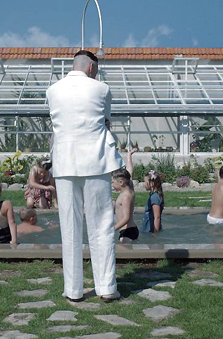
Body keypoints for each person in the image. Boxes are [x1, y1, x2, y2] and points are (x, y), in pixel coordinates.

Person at [46, 49, 124, 302]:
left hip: (65, 163)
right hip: (95, 161)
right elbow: (107, 122)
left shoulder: (53, 90)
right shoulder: (101, 89)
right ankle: (107, 287)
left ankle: (73, 290)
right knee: (101, 225)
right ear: (91, 67)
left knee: (70, 228)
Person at [112, 149, 137, 242]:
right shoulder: (128, 186)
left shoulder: (126, 196)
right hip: (127, 230)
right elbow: (129, 170)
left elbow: (126, 218)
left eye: (113, 183)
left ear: (121, 182)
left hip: (128, 231)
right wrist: (129, 155)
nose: (112, 185)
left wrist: (112, 229)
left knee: (124, 253)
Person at [141, 168, 165, 233]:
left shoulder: (154, 197)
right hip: (147, 230)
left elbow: (157, 217)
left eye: (145, 182)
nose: (144, 184)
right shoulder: (153, 195)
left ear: (151, 184)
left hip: (150, 231)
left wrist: (155, 235)